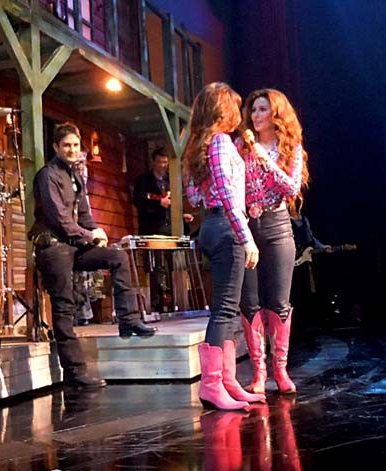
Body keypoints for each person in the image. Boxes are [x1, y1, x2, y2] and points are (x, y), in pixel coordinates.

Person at [29, 122, 156, 388]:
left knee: (117, 257)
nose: (72, 150)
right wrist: (89, 236)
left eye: (76, 145)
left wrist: (97, 231)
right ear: (56, 147)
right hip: (53, 247)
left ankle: (128, 320)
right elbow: (60, 220)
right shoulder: (47, 176)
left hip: (74, 246)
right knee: (64, 306)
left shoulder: (75, 176)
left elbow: (84, 215)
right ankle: (75, 372)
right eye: (66, 145)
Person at [184, 82, 266, 410]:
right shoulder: (219, 142)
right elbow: (228, 195)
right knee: (223, 310)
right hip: (226, 227)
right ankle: (212, 385)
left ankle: (227, 381)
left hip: (212, 225)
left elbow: (194, 196)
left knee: (227, 309)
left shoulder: (201, 146)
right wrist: (246, 237)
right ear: (223, 110)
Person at [237, 88, 309, 395]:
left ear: (276, 113)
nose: (256, 115)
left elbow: (291, 187)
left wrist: (263, 157)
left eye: (262, 109)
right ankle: (259, 372)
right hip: (246, 227)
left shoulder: (290, 148)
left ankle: (280, 370)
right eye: (253, 110)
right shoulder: (240, 147)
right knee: (250, 301)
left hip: (278, 225)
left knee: (278, 302)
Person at [132, 148, 194, 312]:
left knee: (173, 266)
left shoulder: (170, 181)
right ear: (153, 162)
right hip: (152, 229)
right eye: (160, 162)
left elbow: (173, 204)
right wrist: (158, 203)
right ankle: (156, 304)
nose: (163, 165)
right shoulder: (144, 181)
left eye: (165, 162)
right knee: (155, 268)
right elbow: (138, 201)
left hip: (170, 229)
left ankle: (177, 304)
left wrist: (182, 216)